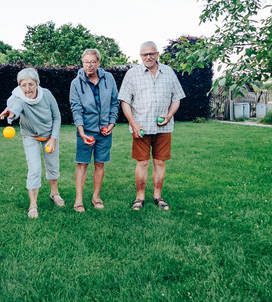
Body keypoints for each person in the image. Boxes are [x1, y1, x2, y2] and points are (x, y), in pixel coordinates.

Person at [118, 41, 185, 211]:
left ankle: (157, 196)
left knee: (160, 162)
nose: (148, 57)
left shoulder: (168, 72)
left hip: (164, 128)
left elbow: (176, 97)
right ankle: (139, 197)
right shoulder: (132, 74)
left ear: (157, 54)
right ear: (140, 56)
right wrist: (133, 124)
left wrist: (169, 116)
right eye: (144, 54)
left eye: (151, 54)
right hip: (141, 127)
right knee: (142, 163)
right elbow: (125, 101)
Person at [0, 68, 65, 219]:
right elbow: (15, 108)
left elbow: (57, 116)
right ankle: (33, 204)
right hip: (30, 136)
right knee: (34, 168)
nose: (27, 89)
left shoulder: (46, 94)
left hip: (49, 135)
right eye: (23, 85)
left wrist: (54, 138)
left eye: (31, 84)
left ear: (37, 83)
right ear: (19, 86)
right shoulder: (18, 98)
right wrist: (11, 113)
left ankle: (54, 193)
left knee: (52, 165)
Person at [69, 49, 119, 213]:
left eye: (92, 62)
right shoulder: (76, 83)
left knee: (100, 164)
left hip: (105, 131)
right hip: (86, 131)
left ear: (98, 63)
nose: (89, 65)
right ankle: (78, 200)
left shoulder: (109, 78)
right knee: (82, 164)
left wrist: (111, 124)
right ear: (82, 63)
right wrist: (81, 132)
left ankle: (96, 197)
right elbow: (76, 109)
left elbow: (114, 103)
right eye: (85, 62)